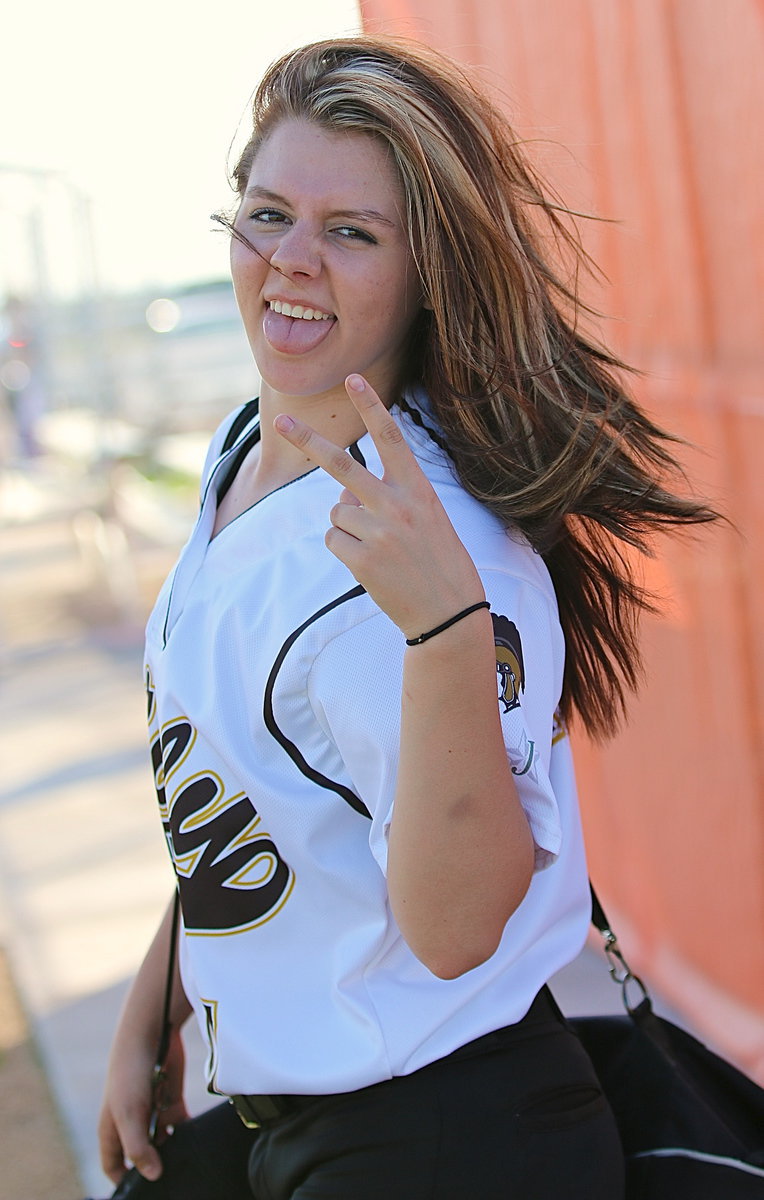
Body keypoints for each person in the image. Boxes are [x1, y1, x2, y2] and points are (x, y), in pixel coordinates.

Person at [98, 36, 716, 1199]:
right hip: (287, 1106)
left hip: (450, 1136)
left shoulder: (447, 551)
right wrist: (155, 1013)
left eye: (350, 233)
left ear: (424, 274)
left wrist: (441, 631)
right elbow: (242, 799)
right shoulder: (249, 449)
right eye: (267, 212)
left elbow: (452, 927)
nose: (290, 261)